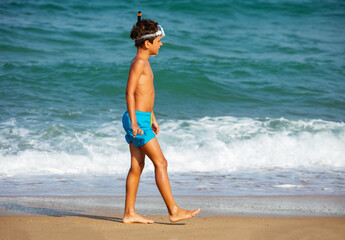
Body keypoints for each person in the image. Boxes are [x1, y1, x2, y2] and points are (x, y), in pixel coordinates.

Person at [121, 14, 200, 224]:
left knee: (137, 167)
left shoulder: (144, 62)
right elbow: (129, 94)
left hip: (142, 118)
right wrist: (136, 122)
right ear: (147, 43)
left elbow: (143, 95)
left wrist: (152, 117)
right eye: (158, 41)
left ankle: (129, 213)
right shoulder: (139, 63)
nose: (161, 44)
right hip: (137, 120)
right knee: (161, 163)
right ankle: (173, 210)